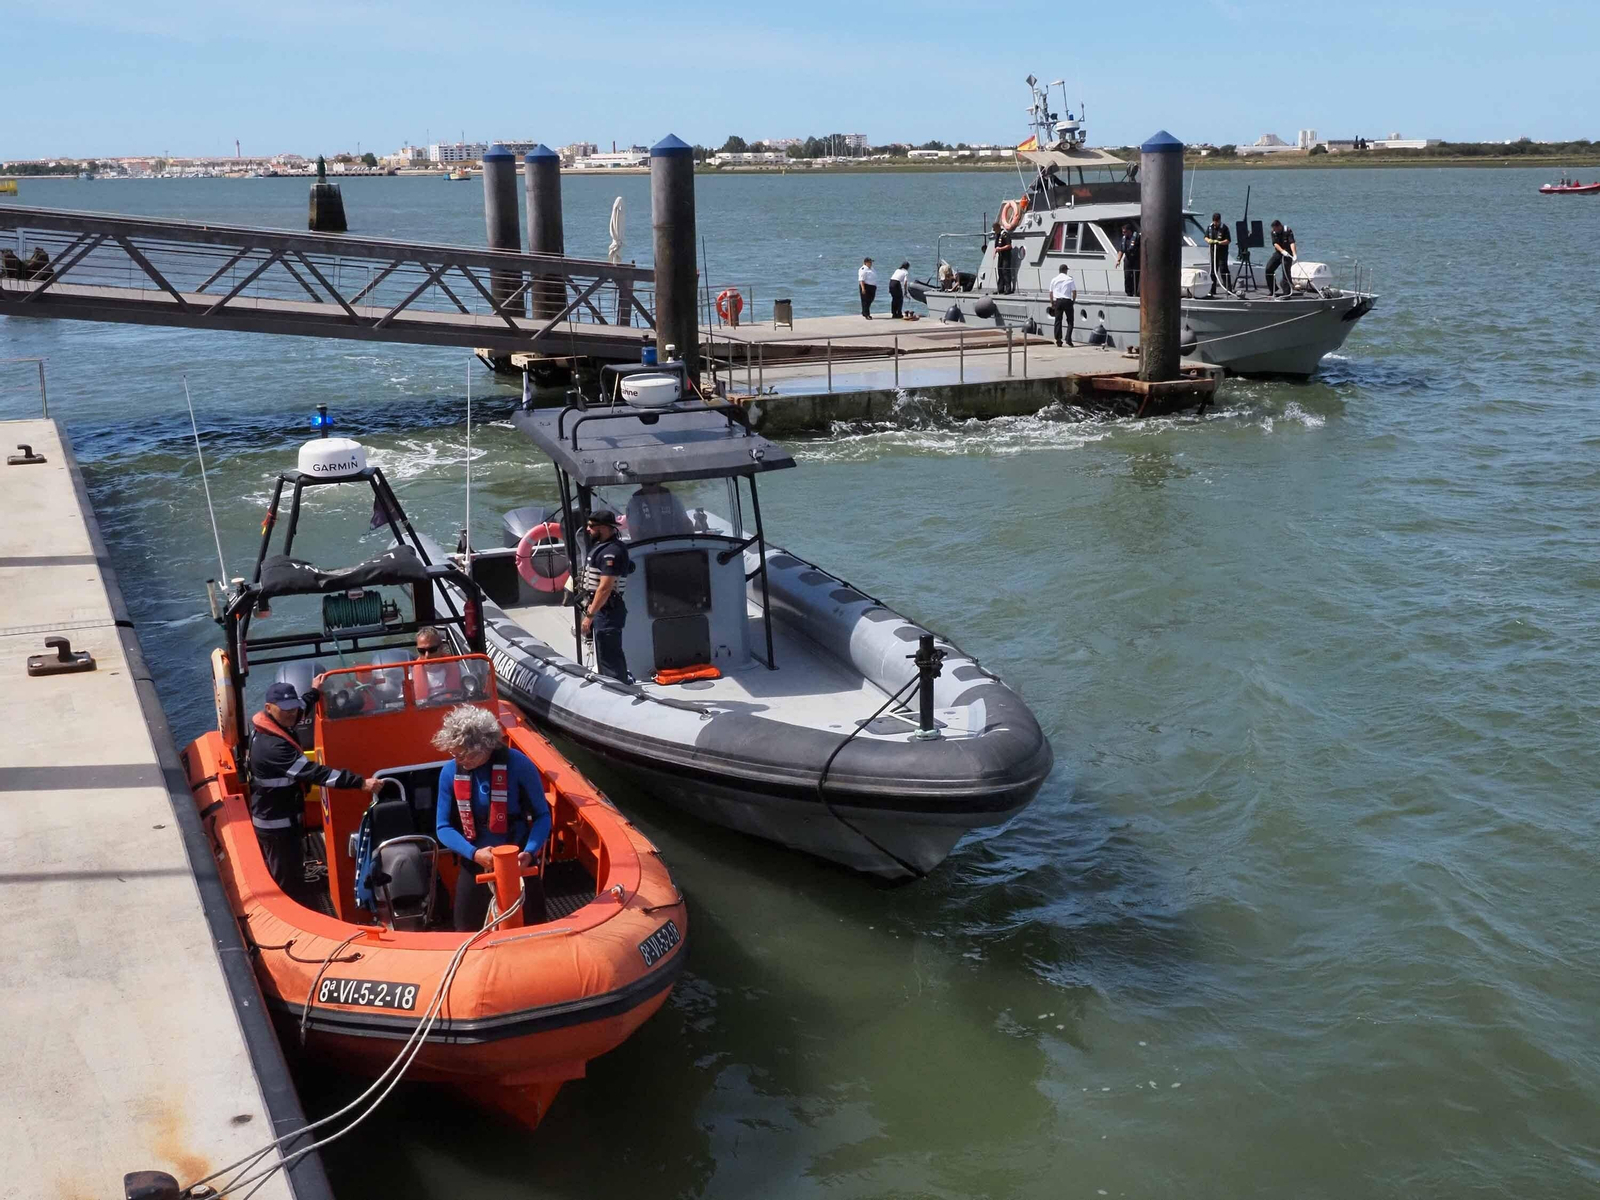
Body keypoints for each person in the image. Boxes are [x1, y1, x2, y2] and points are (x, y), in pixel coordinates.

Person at [250, 681, 378, 898]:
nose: (292, 714)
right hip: (276, 826)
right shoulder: (272, 748)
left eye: (294, 707)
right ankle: (292, 912)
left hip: (287, 817)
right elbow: (316, 774)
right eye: (286, 709)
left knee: (294, 866)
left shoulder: (278, 723)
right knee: (288, 878)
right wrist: (360, 783)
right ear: (269, 708)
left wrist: (314, 692)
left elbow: (301, 708)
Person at [432, 705, 552, 931]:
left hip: (519, 862)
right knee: (466, 929)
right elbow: (443, 827)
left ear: (485, 746)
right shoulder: (450, 772)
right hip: (475, 862)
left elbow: (542, 816)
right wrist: (475, 854)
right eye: (454, 753)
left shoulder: (520, 765)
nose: (459, 759)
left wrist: (530, 852)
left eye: (464, 754)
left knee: (535, 927)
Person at [579, 509, 631, 681]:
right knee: (604, 653)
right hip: (600, 609)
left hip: (607, 611)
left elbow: (605, 588)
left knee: (610, 656)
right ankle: (611, 685)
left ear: (603, 528)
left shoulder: (612, 552)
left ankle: (619, 690)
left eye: (591, 526)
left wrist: (590, 616)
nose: (588, 530)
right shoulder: (601, 548)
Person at [1265, 219, 1297, 296]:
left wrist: (1294, 254)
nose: (1274, 230)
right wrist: (1282, 251)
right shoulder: (1273, 232)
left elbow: (1292, 242)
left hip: (1288, 253)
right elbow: (1275, 243)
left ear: (1279, 226)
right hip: (1279, 252)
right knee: (1268, 269)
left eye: (1275, 228)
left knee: (1286, 272)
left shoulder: (1288, 230)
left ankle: (1287, 293)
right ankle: (1272, 289)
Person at [1048, 264, 1076, 347]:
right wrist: (1073, 301)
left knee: (1058, 320)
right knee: (1070, 321)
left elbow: (1051, 293)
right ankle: (1068, 339)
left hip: (1058, 301)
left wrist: (1052, 303)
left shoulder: (1054, 279)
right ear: (1065, 270)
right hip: (1067, 300)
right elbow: (1074, 291)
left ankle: (1058, 340)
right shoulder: (1070, 279)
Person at [1205, 212, 1232, 296]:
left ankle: (1228, 289)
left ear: (1219, 220)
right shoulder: (1210, 227)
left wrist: (1219, 242)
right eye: (1214, 221)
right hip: (1213, 252)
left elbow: (1228, 240)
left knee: (1223, 269)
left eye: (1217, 221)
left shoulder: (1224, 228)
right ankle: (1212, 290)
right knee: (1213, 270)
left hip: (1222, 252)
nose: (1215, 223)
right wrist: (1209, 240)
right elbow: (1205, 237)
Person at [1114, 222, 1141, 297]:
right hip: (1128, 260)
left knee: (1136, 277)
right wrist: (1118, 260)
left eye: (1124, 232)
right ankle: (1129, 293)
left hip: (1136, 260)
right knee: (1127, 276)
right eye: (1122, 232)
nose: (1123, 233)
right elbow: (1121, 250)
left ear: (1129, 231)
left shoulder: (1137, 238)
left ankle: (1136, 293)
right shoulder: (1124, 239)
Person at [992, 221, 1015, 294]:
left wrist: (1001, 249)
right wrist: (995, 252)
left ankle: (1008, 289)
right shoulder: (998, 235)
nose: (994, 231)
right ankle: (1000, 288)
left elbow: (1009, 246)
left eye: (994, 229)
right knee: (1000, 271)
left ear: (998, 228)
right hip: (1000, 256)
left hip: (1006, 256)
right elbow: (996, 246)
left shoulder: (1005, 234)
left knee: (1005, 271)